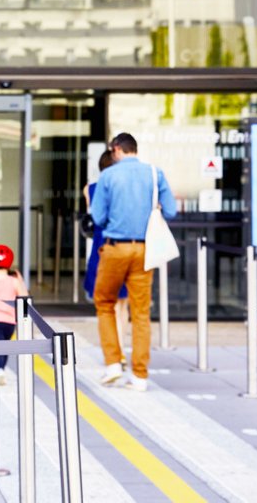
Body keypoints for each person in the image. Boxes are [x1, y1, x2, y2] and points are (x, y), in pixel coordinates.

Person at [89, 132, 177, 391]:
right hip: (145, 249)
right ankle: (139, 376)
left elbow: (98, 217)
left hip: (115, 248)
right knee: (140, 313)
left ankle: (114, 363)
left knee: (105, 303)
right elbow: (170, 211)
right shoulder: (154, 173)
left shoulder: (108, 176)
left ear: (116, 149)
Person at [83, 149, 129, 357]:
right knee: (121, 305)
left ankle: (111, 352)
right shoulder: (125, 190)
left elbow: (94, 220)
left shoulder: (90, 189)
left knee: (104, 305)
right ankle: (119, 350)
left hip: (100, 248)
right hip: (123, 247)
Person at [0, 244, 29, 386]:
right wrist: (21, 281)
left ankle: (0, 369)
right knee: (4, 345)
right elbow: (24, 297)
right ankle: (1, 369)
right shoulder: (14, 281)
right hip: (10, 321)